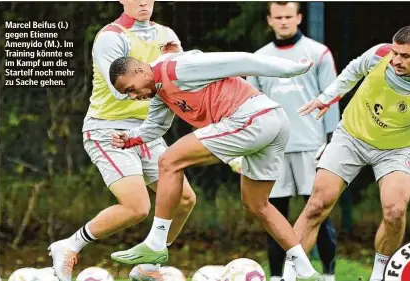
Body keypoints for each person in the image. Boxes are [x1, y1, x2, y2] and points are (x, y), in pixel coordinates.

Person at [107, 49, 325, 281]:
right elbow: (155, 127)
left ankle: (156, 243)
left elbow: (242, 60)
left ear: (140, 70)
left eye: (130, 89)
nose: (132, 96)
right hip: (271, 122)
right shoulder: (160, 92)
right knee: (256, 204)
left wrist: (291, 70)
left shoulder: (178, 67)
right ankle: (306, 272)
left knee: (169, 161)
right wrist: (130, 138)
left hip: (253, 118)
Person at [287, 25, 410, 281]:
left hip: (396, 150)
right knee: (317, 204)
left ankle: (380, 276)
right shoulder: (380, 54)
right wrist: (327, 97)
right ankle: (288, 275)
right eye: (395, 52)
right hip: (351, 136)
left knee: (395, 211)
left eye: (406, 56)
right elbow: (353, 70)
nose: (396, 60)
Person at [47, 1, 196, 281]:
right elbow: (122, 91)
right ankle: (68, 246)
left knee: (184, 199)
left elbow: (181, 81)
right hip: (107, 129)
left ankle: (148, 267)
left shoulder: (167, 35)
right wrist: (161, 70)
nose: (142, 2)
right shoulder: (111, 37)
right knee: (137, 207)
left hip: (146, 131)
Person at [245, 2, 338, 281]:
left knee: (319, 212)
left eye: (289, 16)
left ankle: (329, 274)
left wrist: (331, 139)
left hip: (313, 146)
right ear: (269, 20)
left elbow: (331, 95)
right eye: (278, 17)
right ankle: (276, 276)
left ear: (298, 18)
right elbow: (251, 103)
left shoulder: (318, 53)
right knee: (274, 216)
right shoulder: (259, 58)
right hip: (273, 148)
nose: (284, 21)